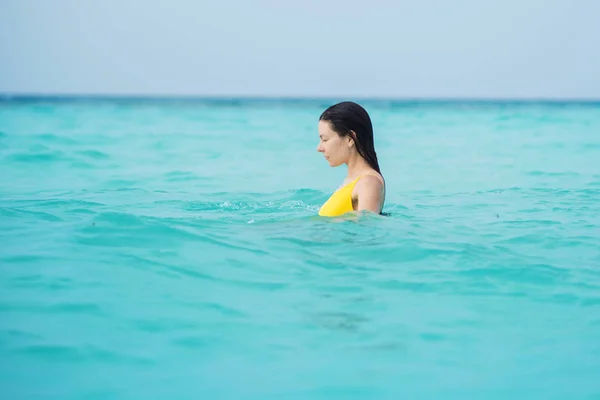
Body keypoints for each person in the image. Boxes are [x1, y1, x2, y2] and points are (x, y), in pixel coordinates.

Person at [316, 101, 385, 217]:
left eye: (325, 140)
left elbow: (366, 230)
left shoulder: (368, 183)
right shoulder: (352, 181)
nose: (319, 148)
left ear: (350, 139)